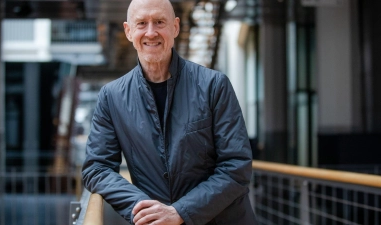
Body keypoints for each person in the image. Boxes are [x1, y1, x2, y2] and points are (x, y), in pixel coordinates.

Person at [81, 0, 257, 224]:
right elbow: (97, 167)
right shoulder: (111, 97)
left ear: (175, 27)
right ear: (128, 31)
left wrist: (180, 212)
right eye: (142, 23)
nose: (151, 32)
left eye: (159, 22)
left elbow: (236, 166)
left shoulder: (214, 85)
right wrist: (141, 206)